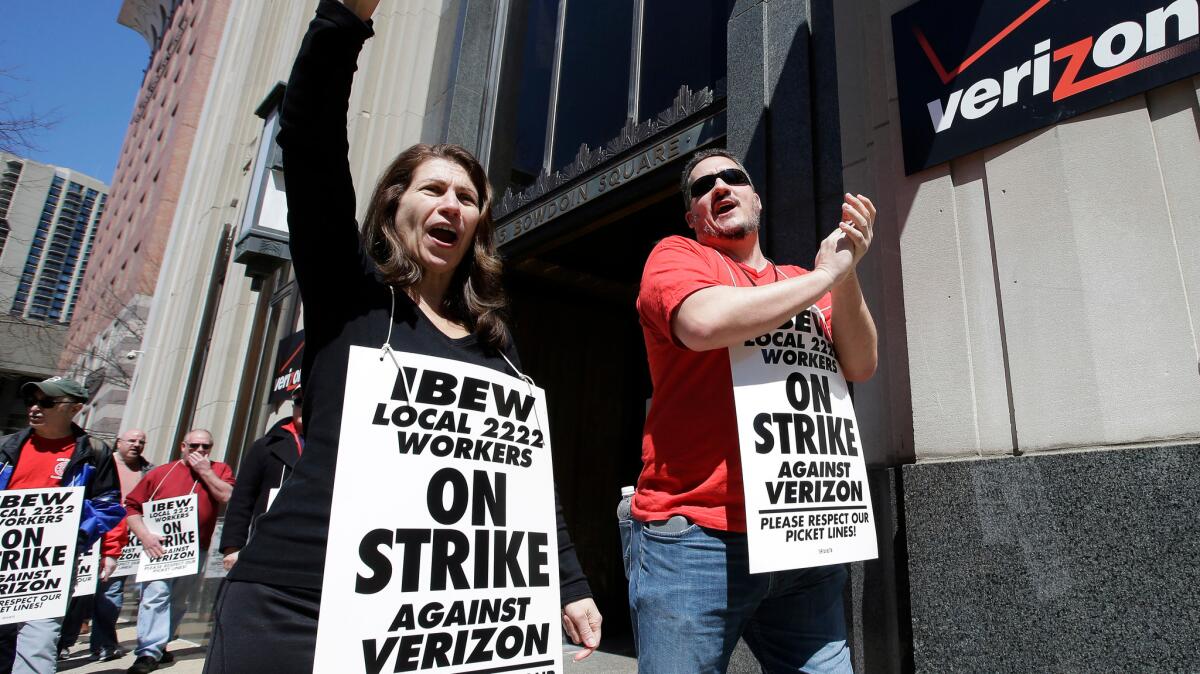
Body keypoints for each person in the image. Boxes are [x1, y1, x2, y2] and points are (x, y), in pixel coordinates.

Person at [204, 1, 601, 671]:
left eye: (468, 197)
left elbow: (523, 476)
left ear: (478, 224)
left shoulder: (497, 346)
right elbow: (307, 141)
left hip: (432, 622)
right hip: (297, 609)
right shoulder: (352, 296)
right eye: (433, 189)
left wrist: (569, 581)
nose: (452, 204)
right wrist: (345, 19)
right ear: (395, 205)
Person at [627, 148, 877, 673]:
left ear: (756, 199)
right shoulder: (678, 258)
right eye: (702, 187)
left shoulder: (803, 279)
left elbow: (861, 362)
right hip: (697, 538)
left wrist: (845, 273)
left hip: (803, 536)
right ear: (693, 217)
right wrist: (822, 278)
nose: (719, 188)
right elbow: (702, 323)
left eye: (732, 177)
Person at [0, 377, 125, 674]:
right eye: (32, 401)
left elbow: (109, 507)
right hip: (5, 555)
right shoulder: (7, 447)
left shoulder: (94, 453)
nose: (34, 408)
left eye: (46, 402)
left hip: (48, 566)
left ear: (75, 409)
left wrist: (76, 536)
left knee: (38, 642)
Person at [124, 430, 234, 674]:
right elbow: (131, 507)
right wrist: (145, 536)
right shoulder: (161, 473)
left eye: (206, 446)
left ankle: (160, 644)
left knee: (178, 600)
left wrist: (206, 471)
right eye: (194, 446)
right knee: (156, 596)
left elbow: (227, 496)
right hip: (160, 547)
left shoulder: (220, 469)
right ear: (183, 446)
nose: (200, 451)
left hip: (195, 548)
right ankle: (148, 652)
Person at [218, 389, 304, 571]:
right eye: (299, 402)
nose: (303, 408)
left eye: (310, 401)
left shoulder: (335, 447)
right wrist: (233, 547)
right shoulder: (265, 446)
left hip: (311, 547)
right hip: (268, 545)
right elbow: (242, 499)